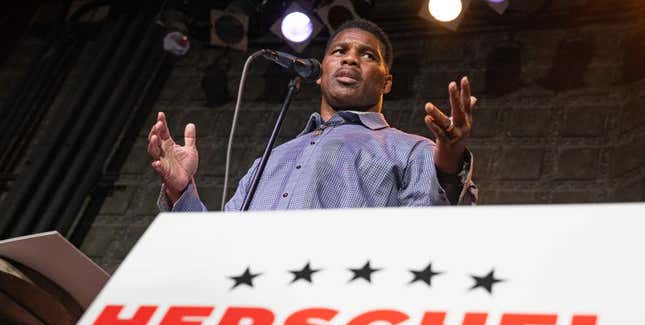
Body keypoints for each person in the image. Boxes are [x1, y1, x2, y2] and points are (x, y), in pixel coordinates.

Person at [148, 19, 478, 211]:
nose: (350, 60)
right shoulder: (270, 159)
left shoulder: (412, 150)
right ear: (320, 73)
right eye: (339, 51)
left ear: (387, 81)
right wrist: (181, 190)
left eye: (366, 55)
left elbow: (431, 236)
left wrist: (449, 160)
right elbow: (217, 248)